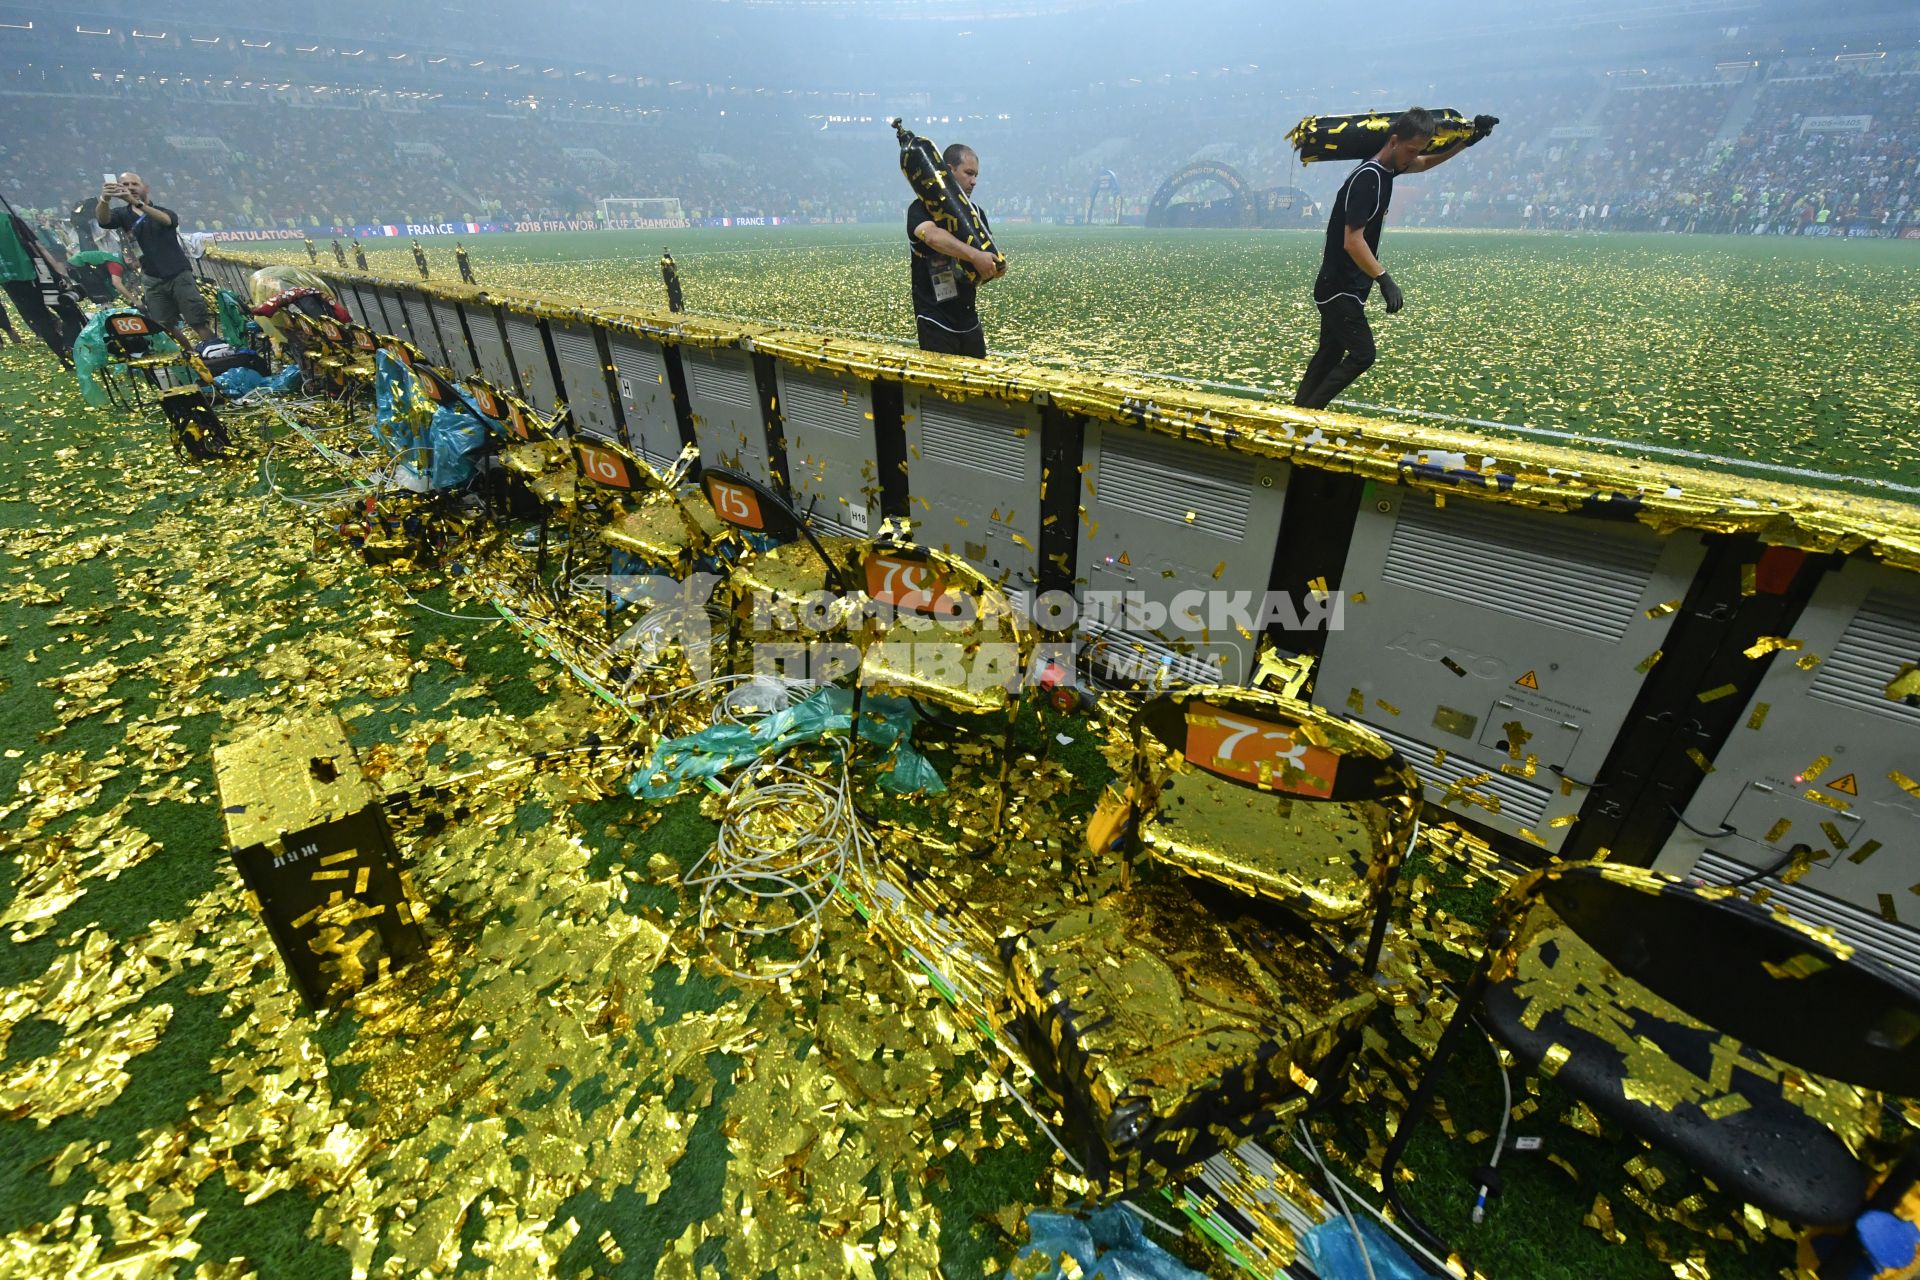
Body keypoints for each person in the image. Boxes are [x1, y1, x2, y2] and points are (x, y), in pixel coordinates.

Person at [1293, 108, 1494, 410]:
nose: (1413, 157)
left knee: (1330, 353)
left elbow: (1424, 164)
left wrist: (1465, 142)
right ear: (1394, 140)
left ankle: (1300, 412)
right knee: (1363, 354)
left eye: (1418, 150)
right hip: (1339, 288)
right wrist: (1384, 278)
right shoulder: (1368, 179)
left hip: (1341, 285)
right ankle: (1310, 411)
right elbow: (1352, 241)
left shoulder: (1386, 169)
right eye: (1410, 150)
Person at [907, 143, 1004, 357]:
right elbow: (932, 237)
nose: (974, 181)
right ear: (949, 171)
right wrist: (974, 255)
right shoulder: (921, 208)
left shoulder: (977, 213)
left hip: (969, 319)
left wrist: (995, 267)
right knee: (943, 389)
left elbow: (988, 255)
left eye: (976, 175)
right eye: (968, 173)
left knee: (977, 386)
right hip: (934, 319)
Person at [95, 173, 214, 344]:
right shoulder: (121, 214)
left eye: (134, 184)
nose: (130, 188)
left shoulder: (163, 211)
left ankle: (214, 354)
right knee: (163, 326)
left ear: (146, 188)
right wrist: (104, 199)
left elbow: (167, 221)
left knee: (197, 321)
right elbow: (103, 220)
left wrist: (137, 203)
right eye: (125, 184)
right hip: (151, 278)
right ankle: (191, 358)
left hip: (178, 274)